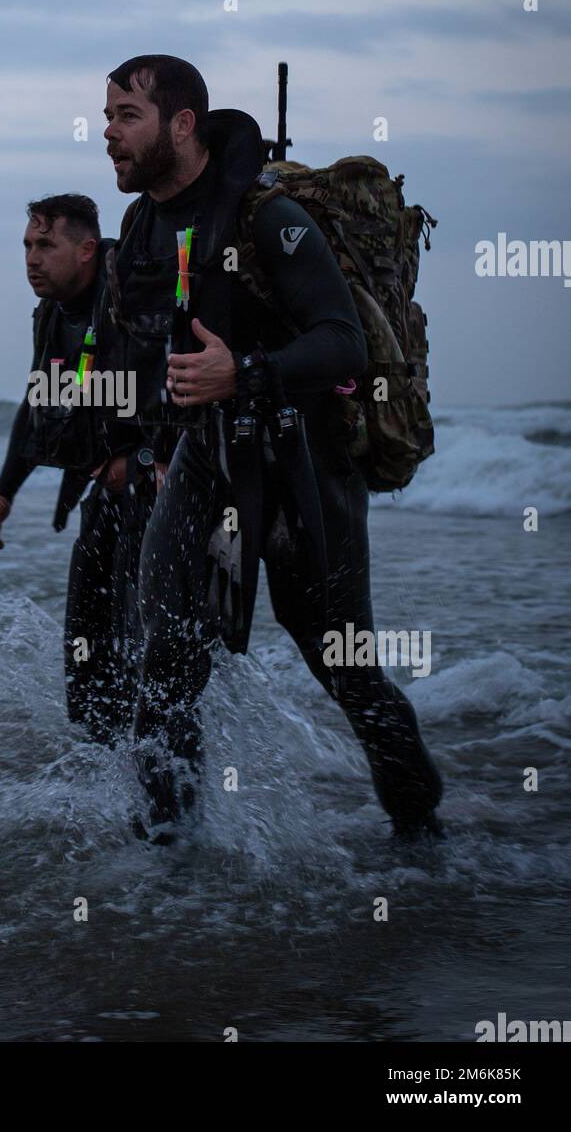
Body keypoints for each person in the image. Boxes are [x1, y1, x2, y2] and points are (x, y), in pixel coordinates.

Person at [97, 54, 444, 844]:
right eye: (107, 117)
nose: (108, 134)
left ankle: (422, 838)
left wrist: (244, 372)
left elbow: (342, 346)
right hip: (201, 463)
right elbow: (146, 351)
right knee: (166, 669)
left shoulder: (266, 217)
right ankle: (167, 863)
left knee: (347, 671)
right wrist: (143, 444)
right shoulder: (142, 223)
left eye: (125, 116)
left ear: (181, 124)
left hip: (301, 467)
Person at [0, 194, 159, 746]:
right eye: (28, 246)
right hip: (106, 492)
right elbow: (41, 404)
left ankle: (160, 789)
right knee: (84, 658)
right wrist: (5, 493)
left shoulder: (133, 294)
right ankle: (104, 785)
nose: (32, 258)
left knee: (140, 652)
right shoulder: (54, 314)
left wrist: (142, 459)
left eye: (45, 245)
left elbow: (186, 391)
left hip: (166, 491)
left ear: (85, 250)